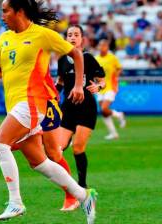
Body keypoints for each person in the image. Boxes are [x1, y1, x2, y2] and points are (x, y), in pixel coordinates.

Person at [0, 0, 97, 223]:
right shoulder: (4, 39)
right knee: (40, 163)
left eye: (5, 11)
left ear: (19, 11)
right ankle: (83, 195)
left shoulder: (42, 35)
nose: (2, 16)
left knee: (0, 143)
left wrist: (78, 85)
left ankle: (15, 202)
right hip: (15, 104)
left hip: (33, 103)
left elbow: (76, 55)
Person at [56, 25, 105, 192]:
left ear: (82, 39)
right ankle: (66, 182)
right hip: (68, 108)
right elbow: (61, 81)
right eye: (69, 34)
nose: (72, 37)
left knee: (78, 148)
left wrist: (98, 87)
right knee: (57, 149)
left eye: (76, 34)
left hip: (86, 108)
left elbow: (102, 80)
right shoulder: (62, 60)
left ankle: (82, 184)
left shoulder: (88, 58)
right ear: (66, 39)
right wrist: (54, 92)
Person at [95, 39, 126, 140]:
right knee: (103, 112)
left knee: (104, 108)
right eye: (101, 46)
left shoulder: (112, 58)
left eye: (105, 46)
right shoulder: (96, 58)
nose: (102, 47)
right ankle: (113, 133)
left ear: (107, 47)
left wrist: (116, 76)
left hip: (110, 86)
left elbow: (119, 68)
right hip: (100, 87)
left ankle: (119, 115)